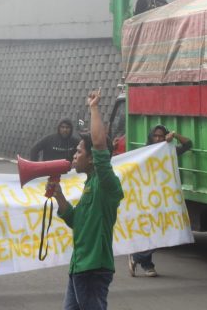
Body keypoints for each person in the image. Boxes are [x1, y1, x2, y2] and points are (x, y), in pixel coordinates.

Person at [48, 90, 124, 310]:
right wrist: (59, 195)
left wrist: (93, 107)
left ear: (92, 159)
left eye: (79, 151)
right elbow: (76, 221)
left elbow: (100, 145)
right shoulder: (90, 184)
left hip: (93, 269)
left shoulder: (106, 182)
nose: (74, 155)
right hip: (79, 266)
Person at [128, 124, 192, 278]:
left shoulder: (169, 151)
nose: (158, 139)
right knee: (151, 230)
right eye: (155, 136)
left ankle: (137, 257)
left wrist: (174, 136)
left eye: (161, 136)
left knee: (163, 230)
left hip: (165, 198)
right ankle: (146, 264)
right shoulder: (145, 153)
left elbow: (188, 144)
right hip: (149, 198)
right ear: (151, 138)